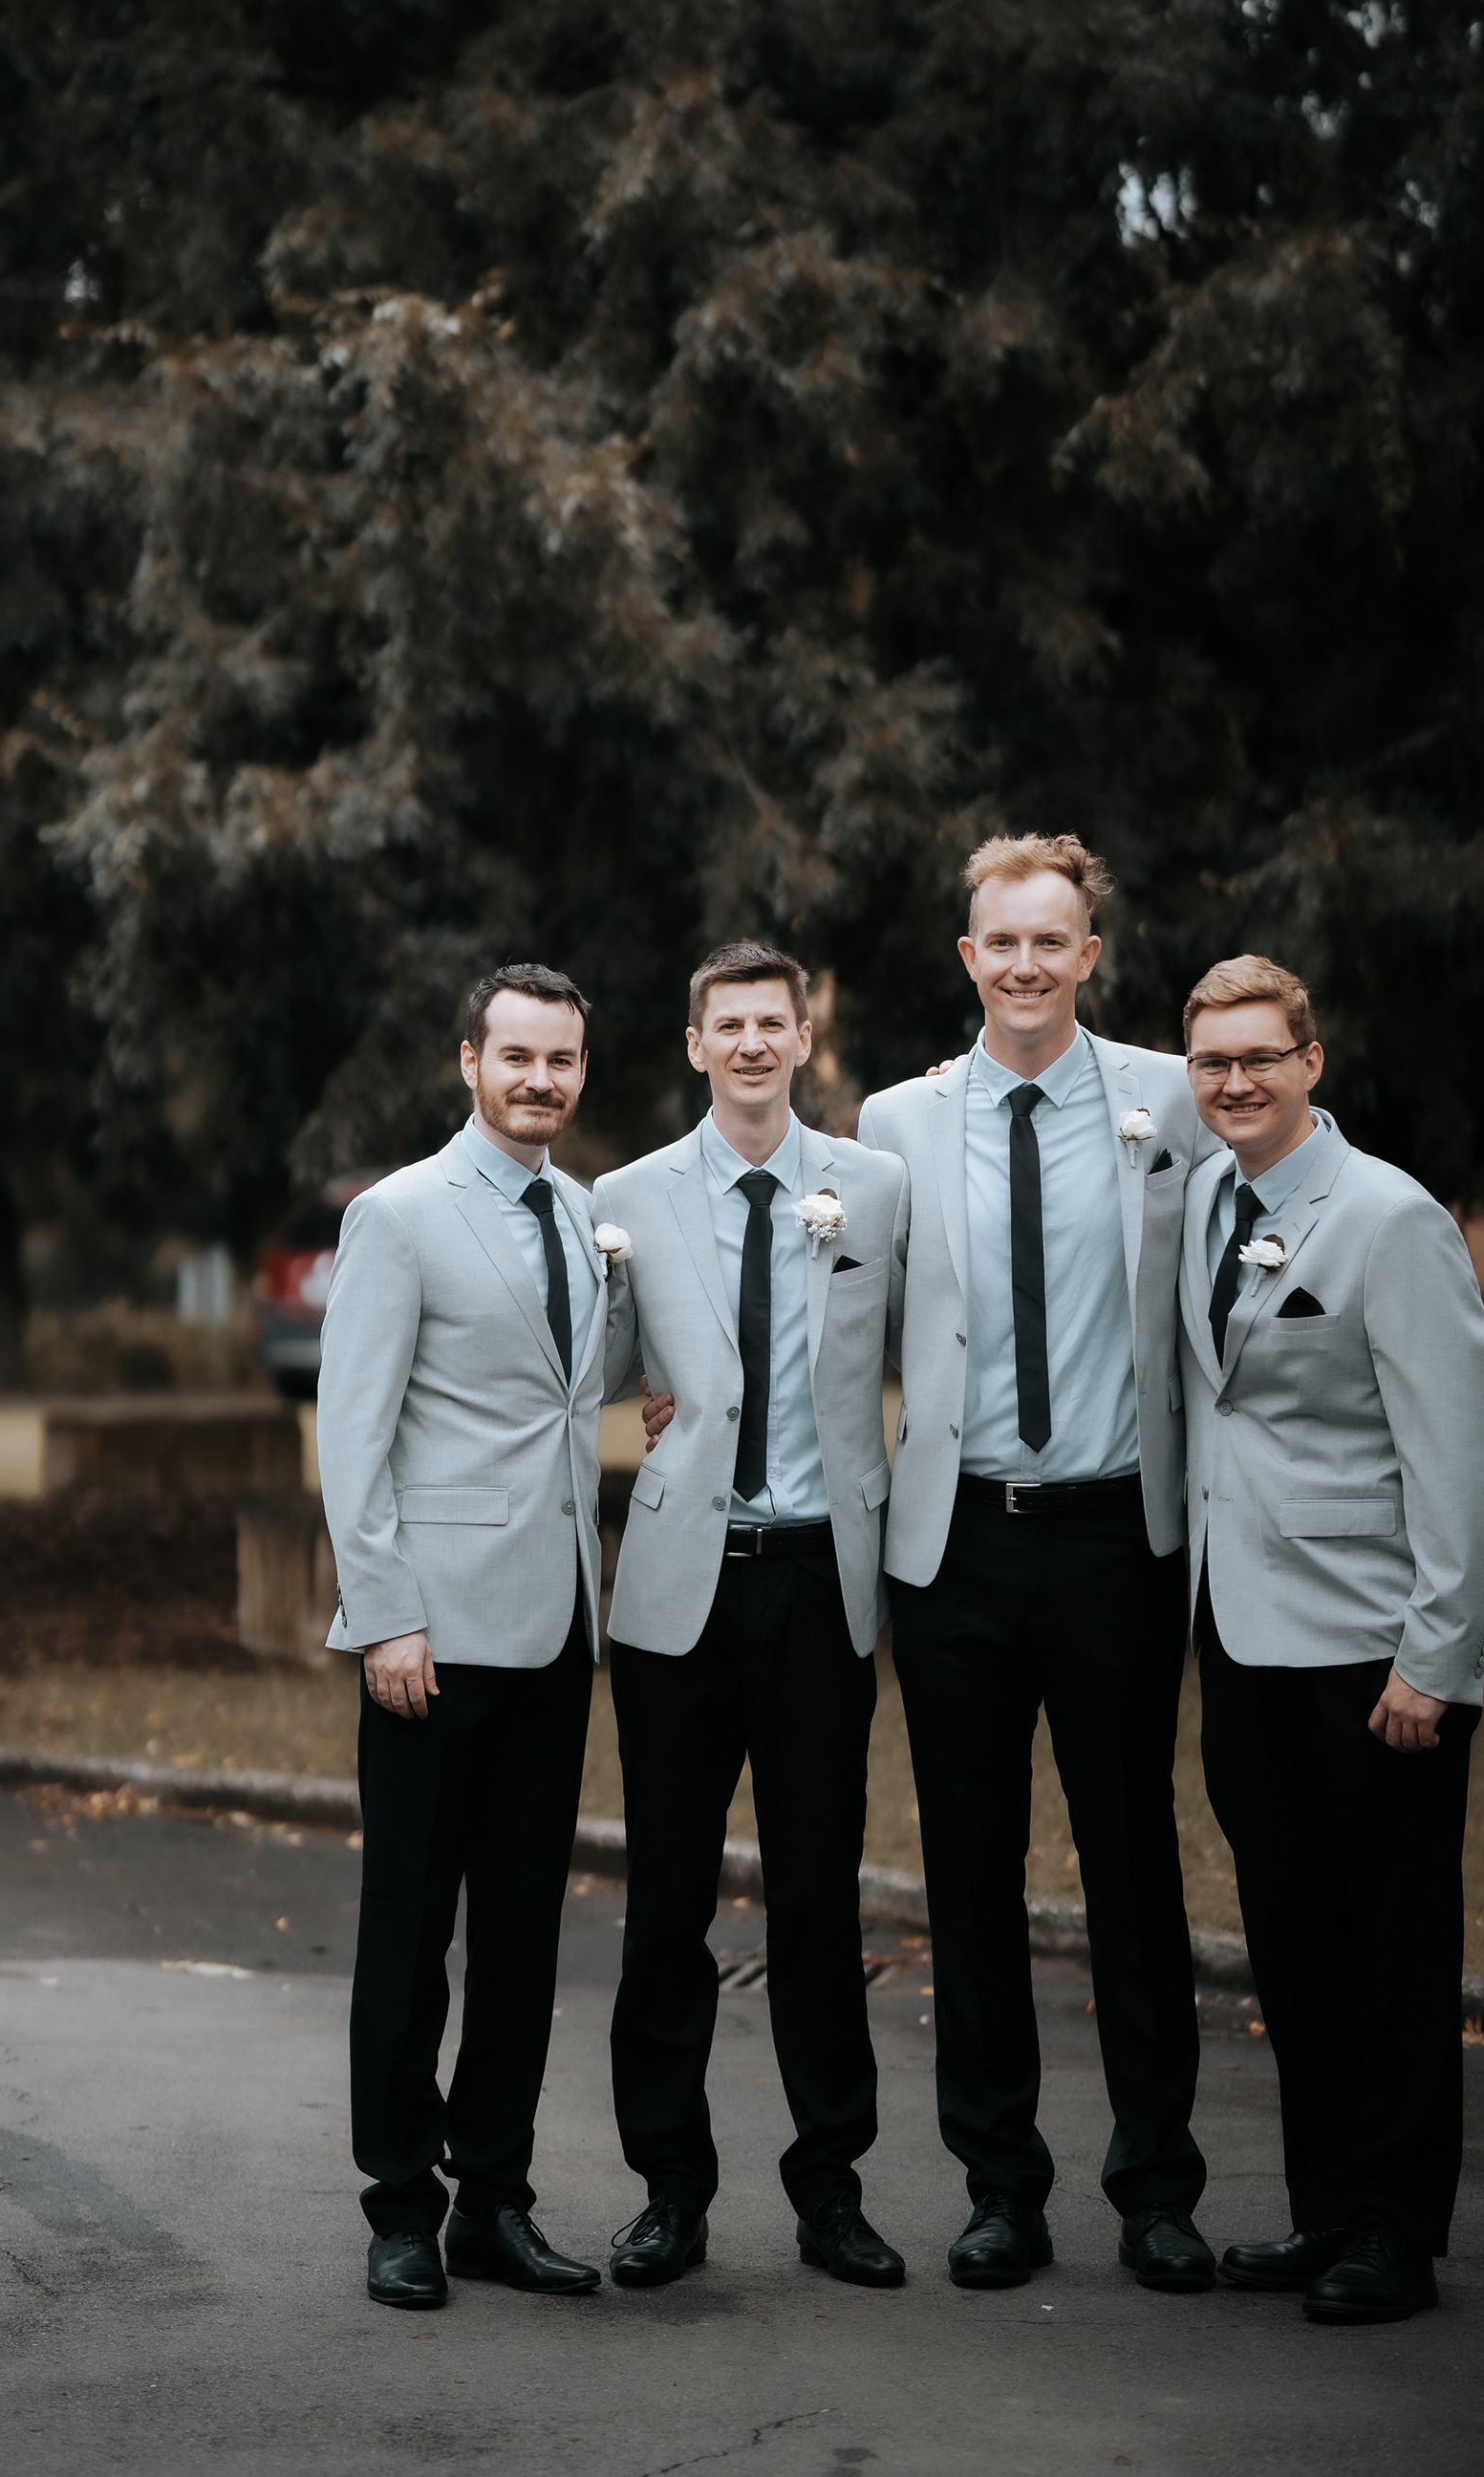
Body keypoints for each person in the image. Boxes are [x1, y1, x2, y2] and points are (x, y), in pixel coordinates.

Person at [854, 833, 1222, 2293]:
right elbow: (847, 1316)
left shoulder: (1170, 1099)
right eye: (999, 941)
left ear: (1088, 954)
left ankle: (1158, 2187)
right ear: (970, 957)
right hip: (954, 1545)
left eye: (1049, 940)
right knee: (971, 1873)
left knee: (1133, 1862)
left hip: (1117, 1536)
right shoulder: (895, 1121)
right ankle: (1000, 2185)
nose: (1024, 964)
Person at [1177, 953, 1484, 2326]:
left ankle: (1398, 2233)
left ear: (1312, 1062)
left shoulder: (1390, 1217)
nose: (1236, 1081)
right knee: (1296, 1947)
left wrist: (1438, 1657)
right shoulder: (1202, 1198)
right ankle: (1325, 2212)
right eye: (1212, 1061)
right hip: (1241, 1640)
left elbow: (1459, 1450)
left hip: (1374, 1652)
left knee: (1395, 1954)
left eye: (1261, 1056)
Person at [595, 942, 912, 2291]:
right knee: (668, 1901)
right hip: (682, 1585)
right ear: (695, 1044)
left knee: (818, 1901)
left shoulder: (875, 1190)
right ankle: (670, 2190)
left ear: (802, 1038)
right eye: (727, 1026)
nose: (750, 1045)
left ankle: (831, 2188)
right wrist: (659, 1396)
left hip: (820, 1582)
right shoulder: (624, 1198)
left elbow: (925, 1348)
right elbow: (597, 1365)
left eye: (772, 1024)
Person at [317, 963, 634, 2311]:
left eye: (561, 1060)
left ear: (580, 1071)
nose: (539, 1080)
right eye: (517, 1056)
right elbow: (353, 1434)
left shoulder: (585, 1213)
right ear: (470, 1062)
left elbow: (572, 1392)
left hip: (556, 1631)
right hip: (432, 1641)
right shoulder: (397, 1216)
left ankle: (495, 2200)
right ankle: (401, 2203)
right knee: (408, 1935)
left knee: (520, 1940)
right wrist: (385, 1614)